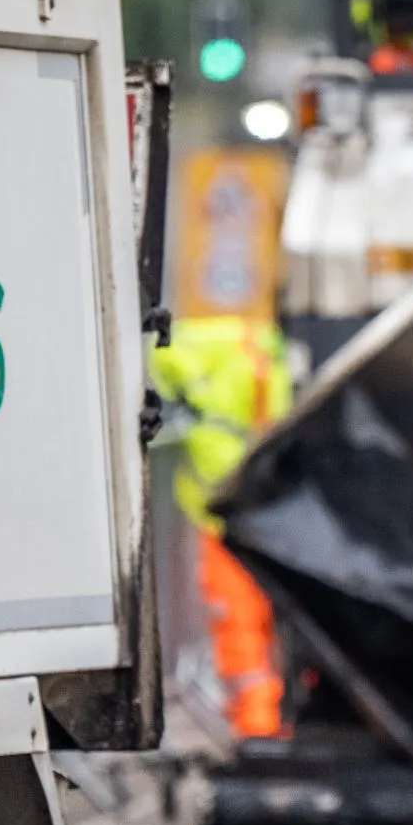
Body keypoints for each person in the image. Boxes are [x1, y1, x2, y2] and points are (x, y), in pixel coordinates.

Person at [149, 315, 294, 741]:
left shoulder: (210, 359)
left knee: (239, 625)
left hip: (225, 517)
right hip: (257, 515)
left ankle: (258, 728)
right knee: (256, 624)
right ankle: (265, 722)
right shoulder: (266, 356)